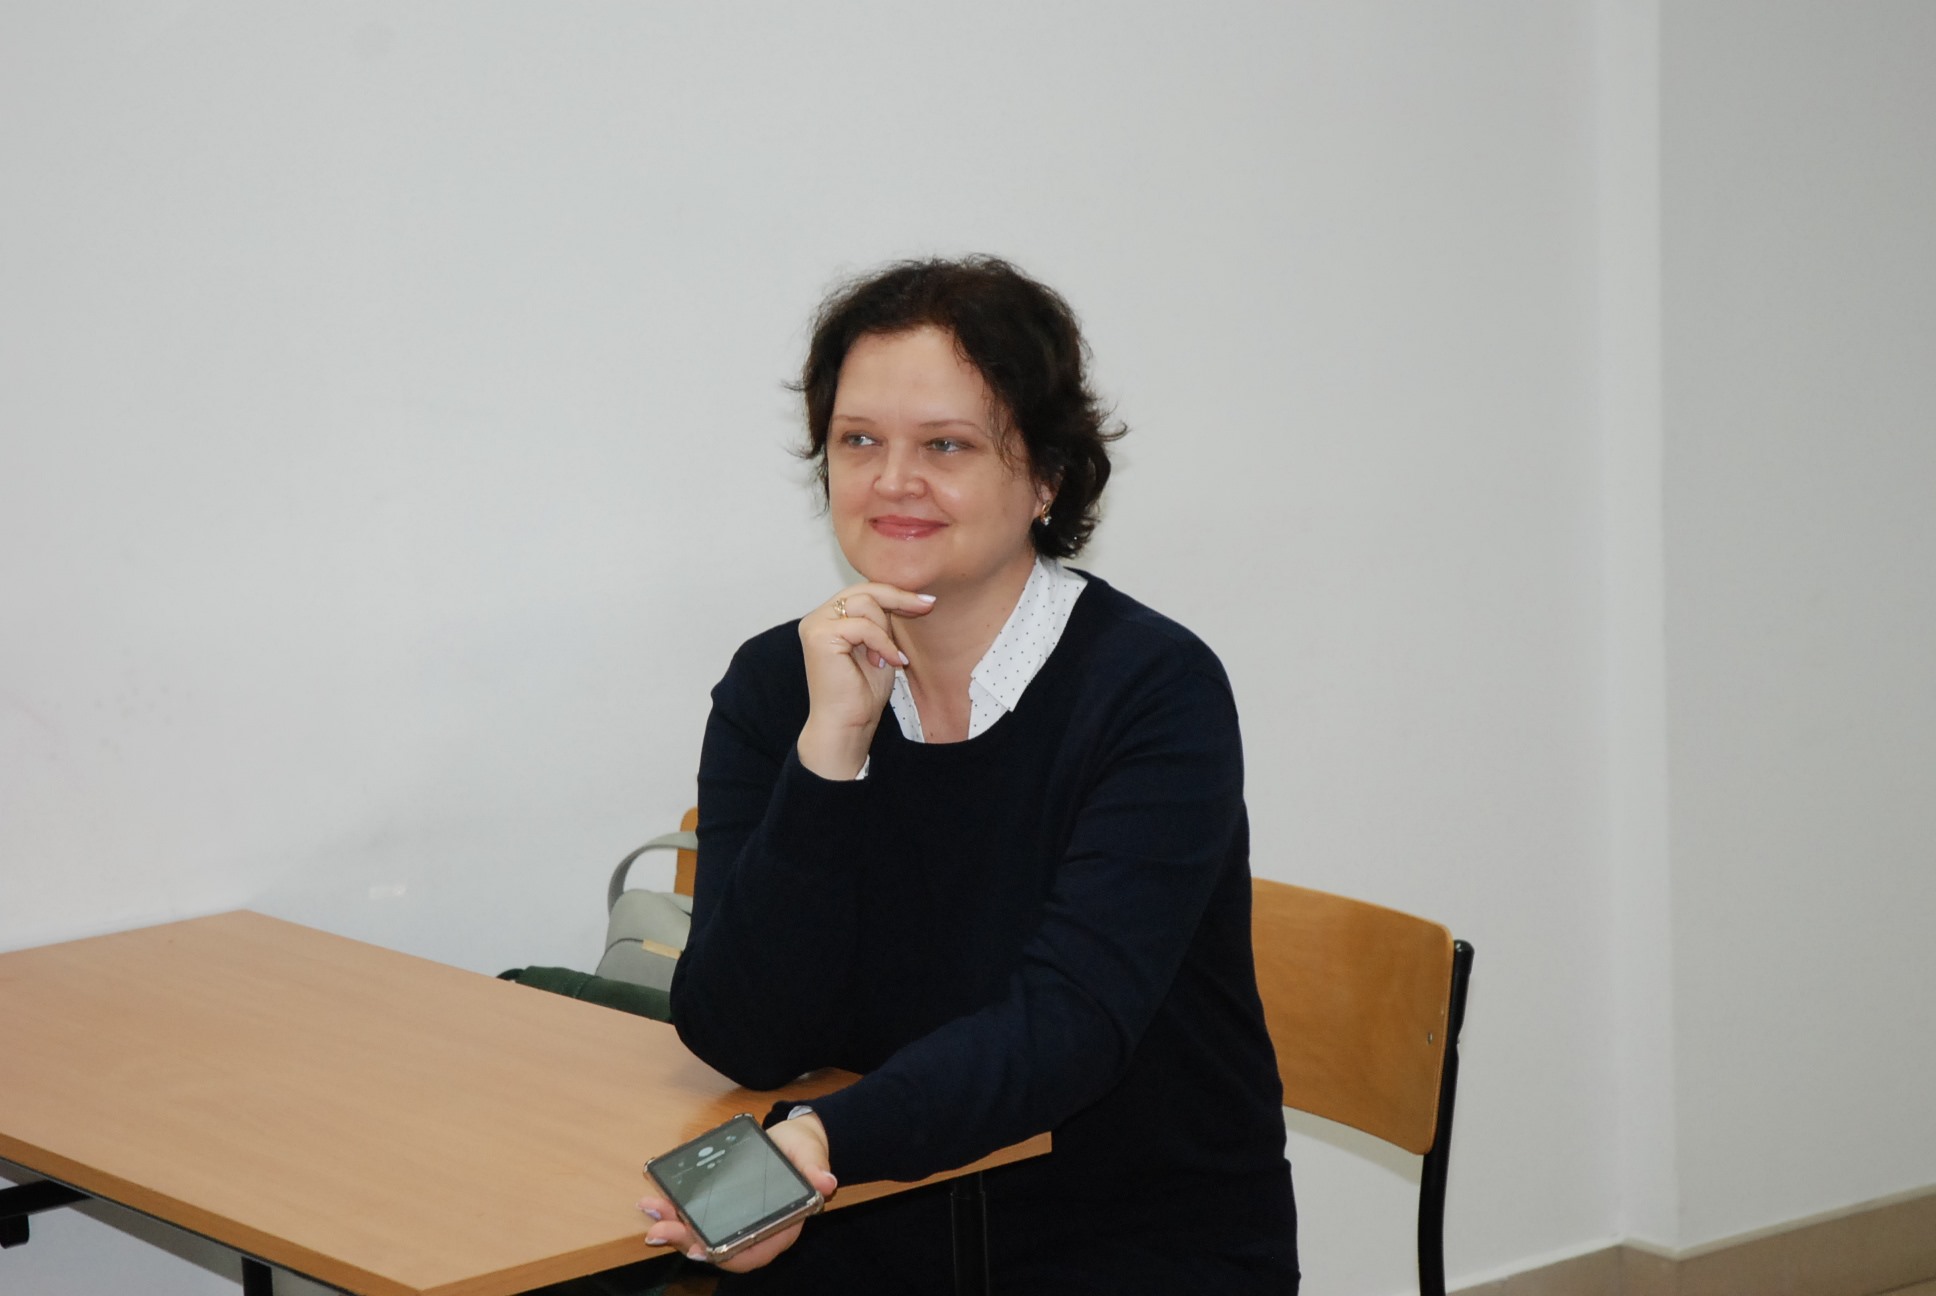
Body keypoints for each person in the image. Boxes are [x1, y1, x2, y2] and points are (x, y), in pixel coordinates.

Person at [645, 256, 1298, 1294]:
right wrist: (831, 755)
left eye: (945, 445)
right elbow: (742, 1034)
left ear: (1046, 477)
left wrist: (818, 1140)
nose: (892, 480)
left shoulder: (1151, 689)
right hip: (858, 1231)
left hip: (1122, 1244)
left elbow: (1068, 1026)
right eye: (859, 441)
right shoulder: (781, 685)